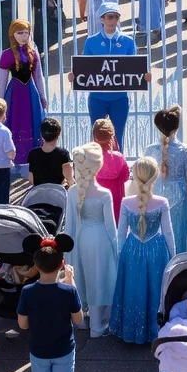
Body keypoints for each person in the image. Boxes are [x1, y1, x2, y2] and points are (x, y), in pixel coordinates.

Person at [109, 157, 175, 344]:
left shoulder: (126, 202)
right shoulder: (162, 202)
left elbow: (120, 234)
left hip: (132, 250)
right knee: (154, 289)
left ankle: (133, 331)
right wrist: (173, 257)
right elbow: (168, 233)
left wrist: (120, 256)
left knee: (133, 289)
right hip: (156, 250)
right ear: (154, 178)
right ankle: (155, 329)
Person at [18, 235, 81, 372]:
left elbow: (22, 325)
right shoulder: (69, 291)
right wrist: (71, 281)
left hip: (38, 351)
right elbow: (78, 320)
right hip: (63, 351)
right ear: (62, 264)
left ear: (35, 265)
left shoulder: (27, 292)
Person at [65, 143, 118, 338]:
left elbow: (69, 224)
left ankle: (82, 322)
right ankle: (98, 325)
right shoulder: (105, 194)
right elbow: (111, 228)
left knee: (85, 277)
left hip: (81, 239)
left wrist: (68, 251)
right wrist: (116, 249)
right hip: (101, 240)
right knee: (99, 279)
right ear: (98, 167)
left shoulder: (72, 192)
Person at [78, 2, 138, 145]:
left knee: (118, 135)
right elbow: (84, 66)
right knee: (97, 136)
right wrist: (75, 74)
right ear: (102, 19)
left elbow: (135, 66)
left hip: (120, 97)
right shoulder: (91, 41)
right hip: (97, 97)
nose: (113, 20)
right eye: (109, 17)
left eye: (116, 17)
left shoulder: (128, 41)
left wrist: (144, 75)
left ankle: (118, 165)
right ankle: (98, 165)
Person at [0, 20, 48, 171]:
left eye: (26, 32)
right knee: (15, 122)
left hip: (31, 94)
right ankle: (14, 159)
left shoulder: (33, 53)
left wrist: (42, 96)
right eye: (20, 32)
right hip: (14, 95)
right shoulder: (6, 55)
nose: (24, 36)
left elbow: (39, 77)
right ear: (12, 34)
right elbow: (1, 82)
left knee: (32, 122)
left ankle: (33, 159)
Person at [147, 106, 187, 255]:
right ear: (177, 127)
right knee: (178, 236)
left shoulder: (150, 150)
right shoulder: (185, 150)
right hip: (179, 198)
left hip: (156, 195)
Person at [93, 118, 130, 222]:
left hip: (96, 203)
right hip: (116, 204)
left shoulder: (91, 158)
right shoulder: (119, 158)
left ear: (95, 137)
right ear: (112, 136)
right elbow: (126, 177)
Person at [29, 118, 74, 187]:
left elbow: (31, 180)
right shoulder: (63, 154)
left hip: (38, 193)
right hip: (57, 192)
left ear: (41, 135)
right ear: (58, 135)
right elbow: (70, 180)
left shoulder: (32, 154)